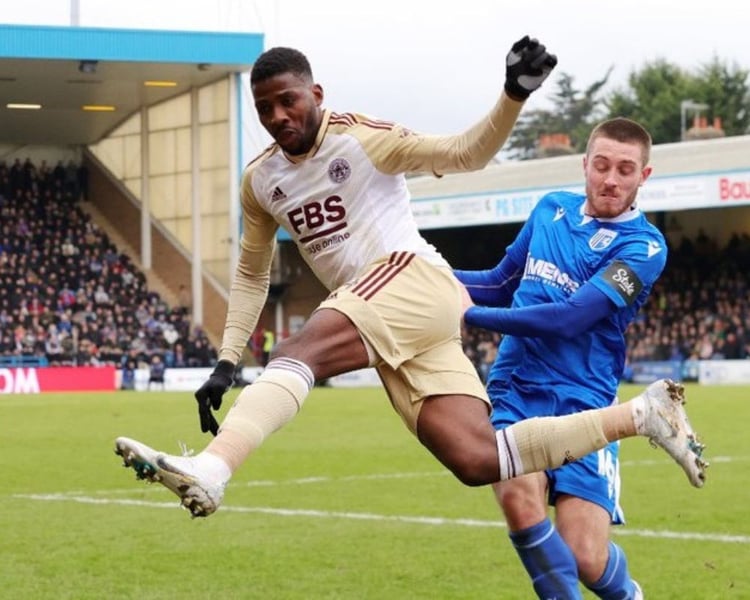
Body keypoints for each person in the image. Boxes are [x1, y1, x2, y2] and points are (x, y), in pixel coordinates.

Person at [114, 39, 706, 520]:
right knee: (479, 458)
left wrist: (511, 94)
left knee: (298, 350)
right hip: (390, 315)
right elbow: (250, 271)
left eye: (288, 101)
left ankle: (212, 470)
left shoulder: (363, 138)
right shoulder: (260, 180)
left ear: (315, 93)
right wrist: (225, 359)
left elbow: (464, 153)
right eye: (264, 108)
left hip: (410, 279)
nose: (277, 117)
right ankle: (643, 416)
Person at [454, 117, 703, 598]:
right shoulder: (550, 209)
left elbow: (571, 318)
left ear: (643, 177)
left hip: (587, 400)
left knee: (586, 557)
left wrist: (472, 316)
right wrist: (429, 276)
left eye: (625, 170)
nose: (611, 179)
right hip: (516, 389)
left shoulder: (644, 247)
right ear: (585, 165)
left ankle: (627, 593)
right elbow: (500, 281)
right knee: (520, 499)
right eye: (602, 166)